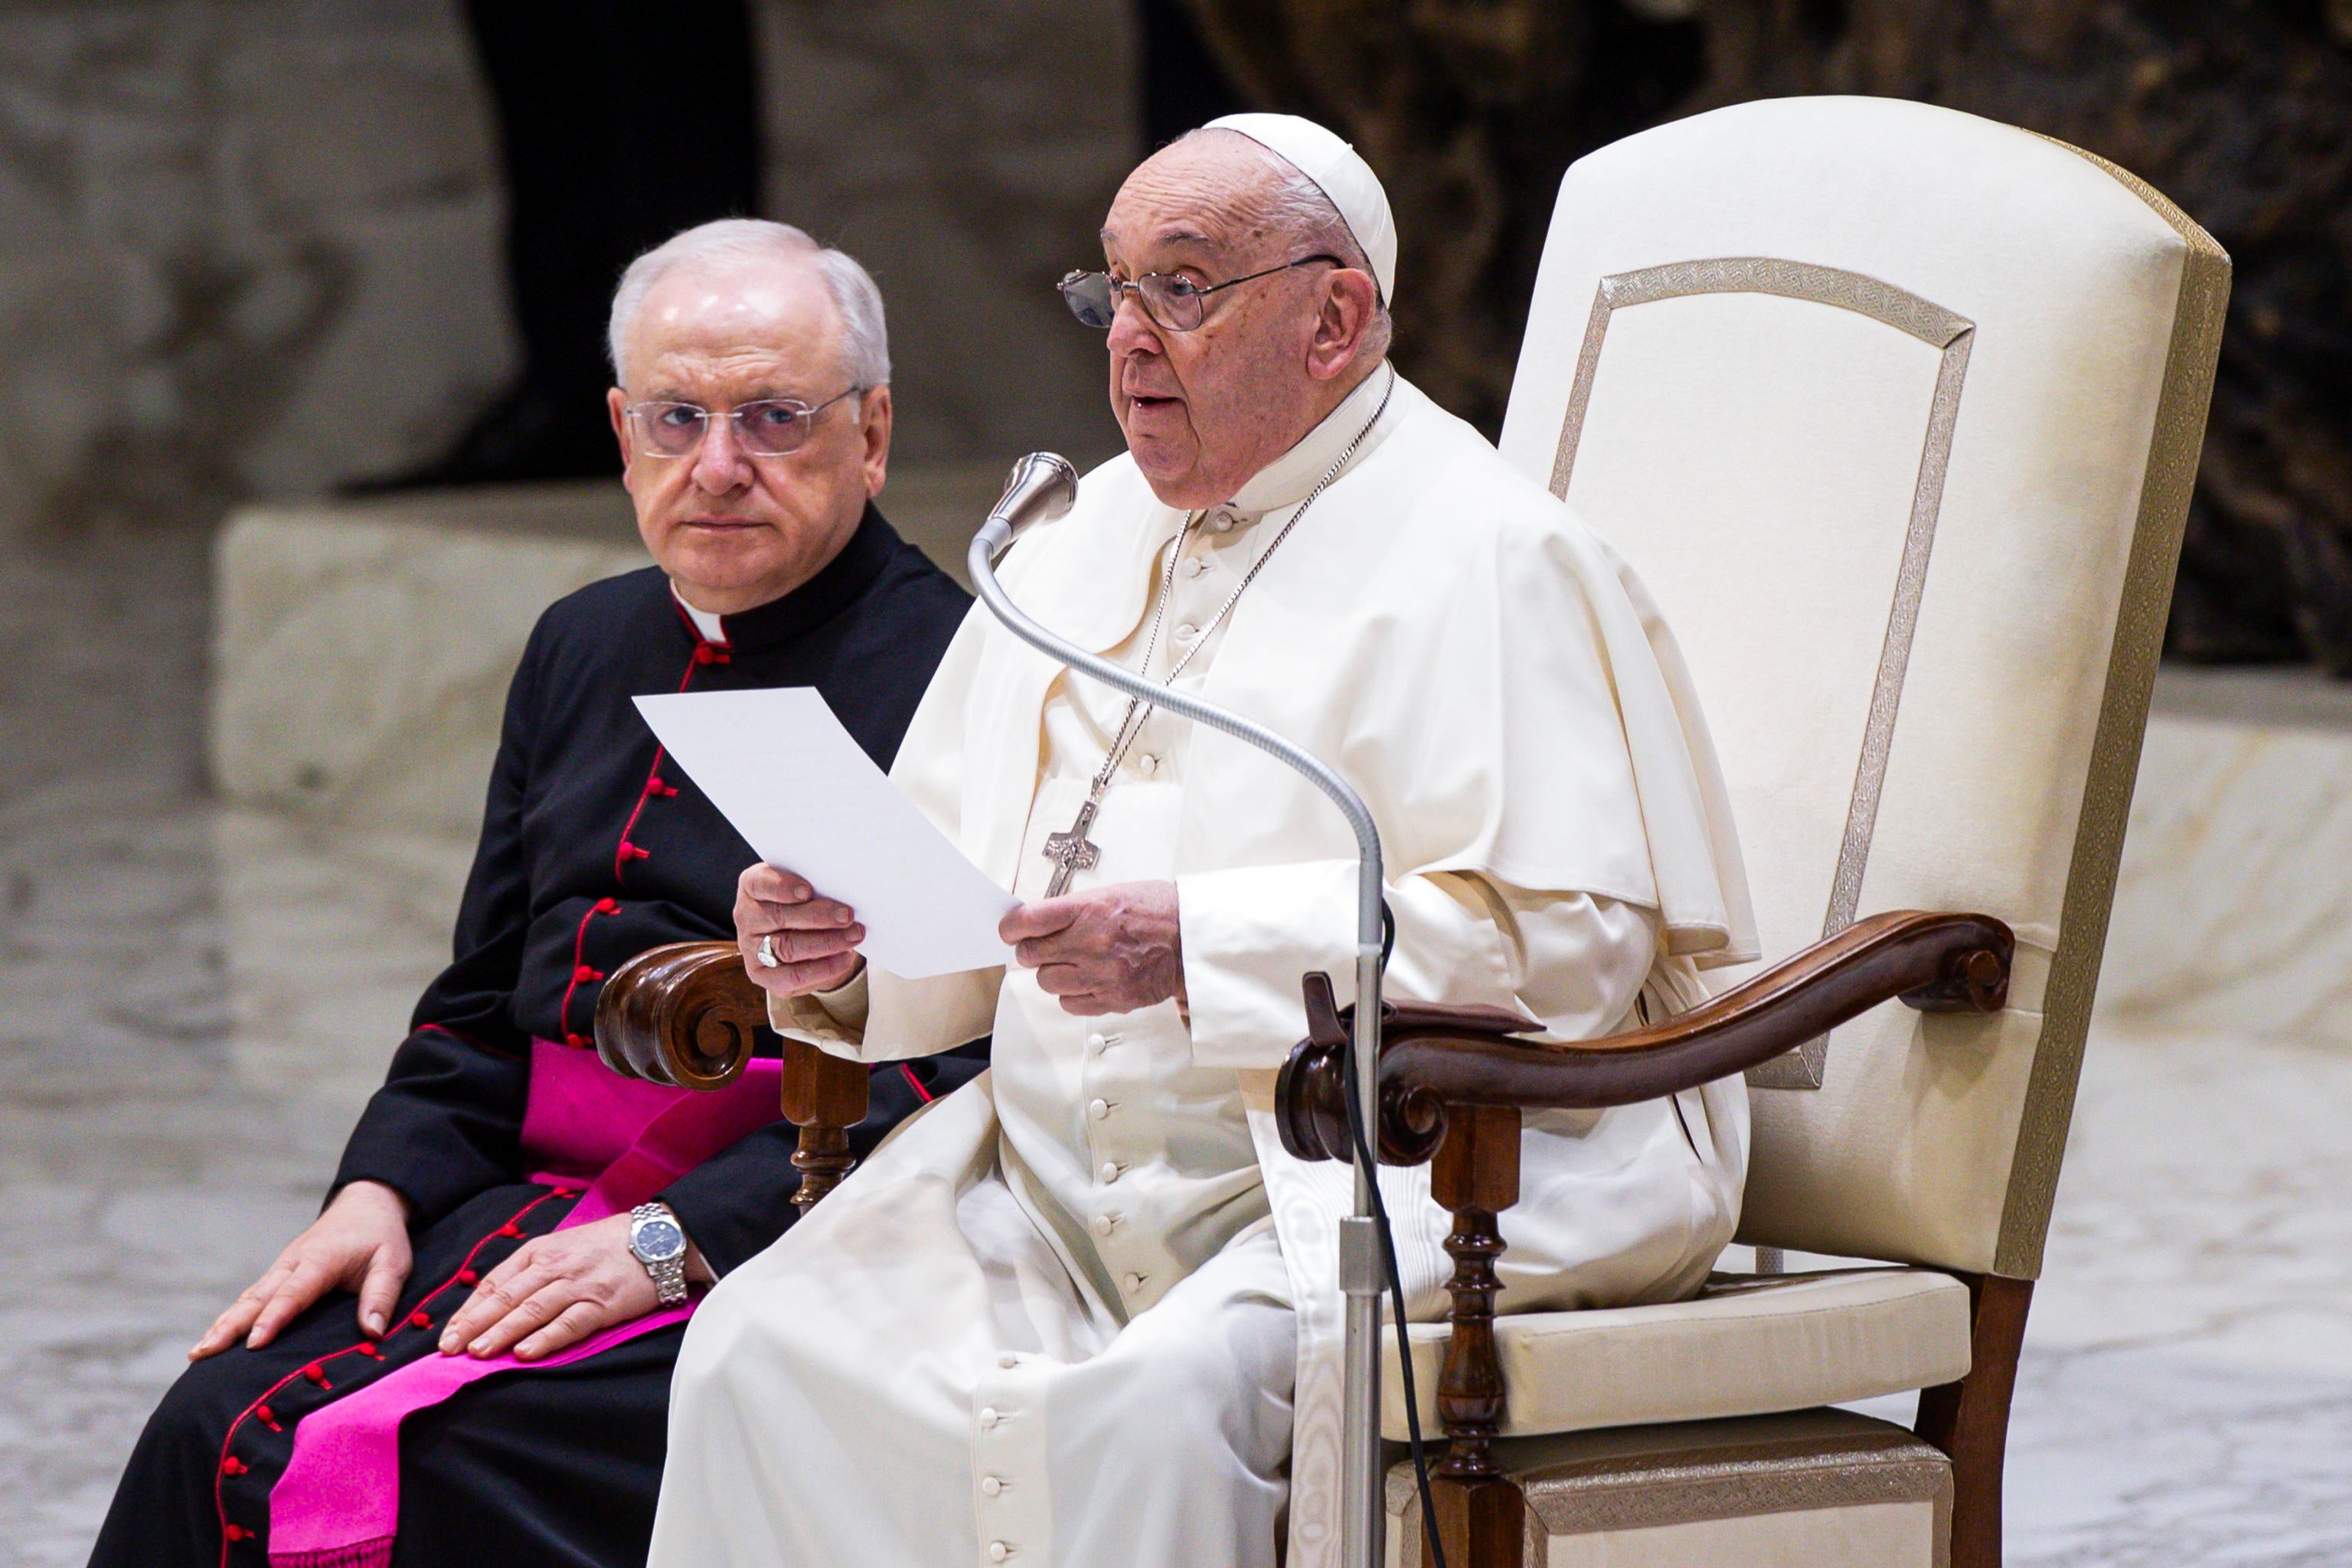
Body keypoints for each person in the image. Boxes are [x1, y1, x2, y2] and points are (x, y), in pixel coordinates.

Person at [658, 116, 1758, 1568]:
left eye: (1181, 289)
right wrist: (838, 948)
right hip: (1052, 1183)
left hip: (1396, 1167)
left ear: (1334, 318)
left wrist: (1205, 945)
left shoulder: (1493, 554)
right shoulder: (1072, 539)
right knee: (755, 1352)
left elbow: (1568, 950)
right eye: (1109, 291)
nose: (1127, 342)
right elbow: (947, 899)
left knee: (1155, 1411)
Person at [90, 220, 982, 1568]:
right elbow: (480, 998)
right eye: (677, 419)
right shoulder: (586, 639)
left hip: (785, 1221)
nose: (719, 467)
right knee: (208, 1421)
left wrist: (681, 1238)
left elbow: (967, 1058)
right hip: (512, 1204)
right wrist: (379, 1189)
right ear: (622, 435)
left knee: (445, 1456)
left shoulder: (964, 676)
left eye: (775, 419)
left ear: (873, 433)